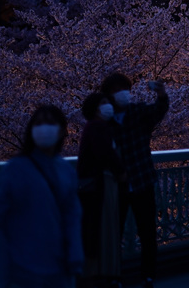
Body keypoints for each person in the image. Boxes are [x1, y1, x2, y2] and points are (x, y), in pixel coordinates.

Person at [0, 105, 83, 288]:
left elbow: (72, 217)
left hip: (58, 264)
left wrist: (75, 257)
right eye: (39, 123)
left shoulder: (65, 171)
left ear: (61, 132)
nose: (44, 128)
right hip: (21, 264)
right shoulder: (16, 169)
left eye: (50, 123)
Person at [100, 73, 169, 288]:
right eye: (117, 89)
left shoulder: (137, 112)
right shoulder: (104, 121)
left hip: (141, 179)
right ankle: (114, 276)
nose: (122, 93)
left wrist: (161, 94)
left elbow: (159, 110)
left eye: (125, 88)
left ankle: (148, 275)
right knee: (114, 233)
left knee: (147, 231)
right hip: (116, 184)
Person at [77, 92, 125, 288]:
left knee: (95, 228)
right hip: (100, 185)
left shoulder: (95, 127)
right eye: (104, 103)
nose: (109, 106)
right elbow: (105, 153)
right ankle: (101, 274)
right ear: (95, 107)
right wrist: (120, 171)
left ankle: (97, 273)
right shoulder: (97, 127)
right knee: (101, 228)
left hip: (95, 184)